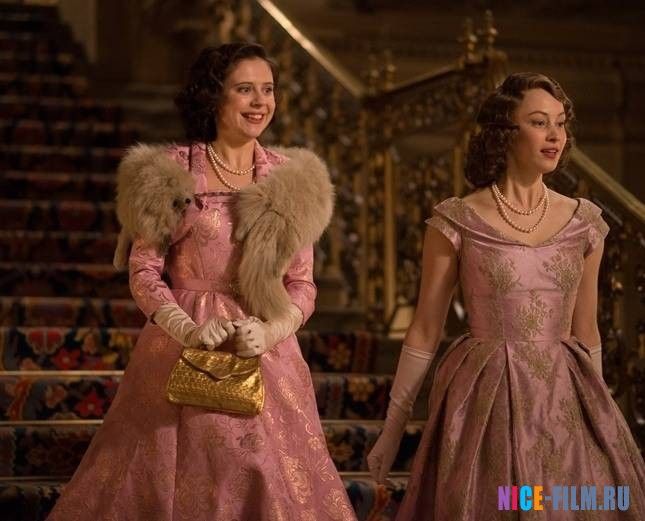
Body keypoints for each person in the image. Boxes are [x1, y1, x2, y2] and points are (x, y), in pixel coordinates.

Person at [48, 42, 356, 521]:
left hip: (264, 351)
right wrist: (188, 329)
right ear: (213, 96)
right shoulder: (171, 172)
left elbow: (303, 283)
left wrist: (272, 330)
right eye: (245, 89)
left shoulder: (292, 180)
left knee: (264, 473)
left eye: (268, 90)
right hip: (182, 346)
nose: (260, 102)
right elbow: (143, 271)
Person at [367, 72, 645, 520]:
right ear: (505, 133)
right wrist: (393, 428)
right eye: (539, 122)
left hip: (562, 400)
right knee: (500, 504)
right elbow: (424, 329)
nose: (555, 135)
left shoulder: (586, 224)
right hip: (486, 401)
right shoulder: (457, 220)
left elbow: (587, 330)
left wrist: (602, 420)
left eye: (560, 123)